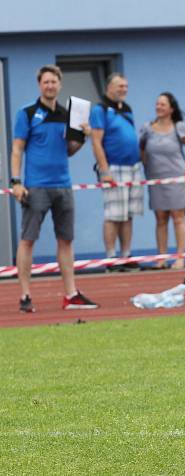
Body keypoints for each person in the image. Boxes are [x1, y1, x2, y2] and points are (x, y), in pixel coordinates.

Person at [10, 64, 99, 312]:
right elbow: (17, 149)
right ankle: (25, 296)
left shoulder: (67, 115)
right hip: (35, 187)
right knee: (28, 240)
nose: (50, 85)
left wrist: (84, 137)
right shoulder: (26, 113)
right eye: (46, 82)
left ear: (60, 85)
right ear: (40, 85)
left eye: (54, 82)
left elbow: (68, 151)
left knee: (66, 240)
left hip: (63, 185)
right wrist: (15, 182)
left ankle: (70, 294)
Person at [90, 72, 143, 271]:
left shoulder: (127, 109)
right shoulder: (100, 109)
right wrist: (105, 171)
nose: (124, 90)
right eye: (120, 86)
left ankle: (126, 255)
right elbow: (96, 141)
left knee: (128, 214)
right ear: (109, 88)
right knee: (113, 214)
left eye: (126, 86)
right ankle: (111, 257)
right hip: (114, 168)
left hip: (133, 167)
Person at [139, 92, 185, 270]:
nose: (159, 107)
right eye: (157, 104)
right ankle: (161, 258)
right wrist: (146, 167)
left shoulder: (179, 127)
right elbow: (141, 149)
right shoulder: (147, 128)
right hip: (156, 178)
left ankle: (180, 257)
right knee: (160, 218)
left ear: (171, 108)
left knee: (178, 217)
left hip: (176, 177)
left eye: (163, 104)